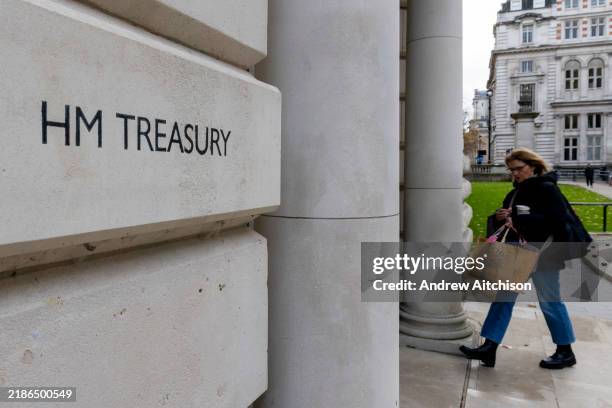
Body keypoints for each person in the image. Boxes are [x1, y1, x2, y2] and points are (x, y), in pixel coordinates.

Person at [460, 148, 578, 369]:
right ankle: (489, 349)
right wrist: (500, 217)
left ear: (532, 166)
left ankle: (565, 350)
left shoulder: (547, 189)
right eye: (511, 170)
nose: (514, 173)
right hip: (517, 254)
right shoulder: (516, 192)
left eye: (518, 169)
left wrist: (522, 218)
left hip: (544, 256)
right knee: (503, 299)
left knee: (550, 301)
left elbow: (557, 222)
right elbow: (506, 225)